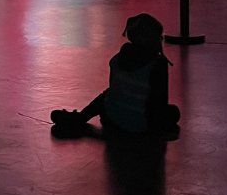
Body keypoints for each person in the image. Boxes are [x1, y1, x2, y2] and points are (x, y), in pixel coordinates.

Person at [51, 13, 180, 137]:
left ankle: (82, 116)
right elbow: (157, 102)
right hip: (140, 126)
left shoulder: (116, 59)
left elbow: (115, 91)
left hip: (110, 121)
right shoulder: (158, 64)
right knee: (173, 112)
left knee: (109, 93)